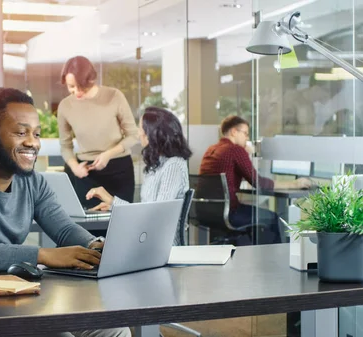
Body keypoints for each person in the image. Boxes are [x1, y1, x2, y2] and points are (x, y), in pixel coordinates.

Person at [0, 87, 130, 337]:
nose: (32, 142)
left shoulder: (33, 182)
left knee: (113, 330)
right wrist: (43, 255)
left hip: (16, 295)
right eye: (21, 132)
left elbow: (63, 229)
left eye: (36, 134)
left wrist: (96, 246)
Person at [85, 107, 191, 245]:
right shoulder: (155, 166)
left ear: (153, 133)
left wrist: (112, 200)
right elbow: (145, 212)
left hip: (160, 245)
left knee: (97, 247)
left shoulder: (173, 165)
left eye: (141, 128)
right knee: (93, 246)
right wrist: (112, 204)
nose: (139, 132)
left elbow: (156, 216)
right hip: (147, 239)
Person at [199, 115, 311, 243]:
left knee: (259, 216)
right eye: (245, 133)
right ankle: (277, 260)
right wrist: (295, 184)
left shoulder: (211, 149)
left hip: (206, 212)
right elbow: (259, 183)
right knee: (273, 218)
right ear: (234, 132)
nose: (247, 138)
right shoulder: (235, 150)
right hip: (229, 213)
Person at [58, 56, 139, 209]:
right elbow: (65, 146)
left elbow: (132, 135)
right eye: (71, 86)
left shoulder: (114, 96)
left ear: (91, 80)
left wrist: (108, 154)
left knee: (120, 222)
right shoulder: (65, 106)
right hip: (85, 173)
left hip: (119, 170)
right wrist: (75, 167)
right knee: (87, 227)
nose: (77, 92)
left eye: (81, 87)